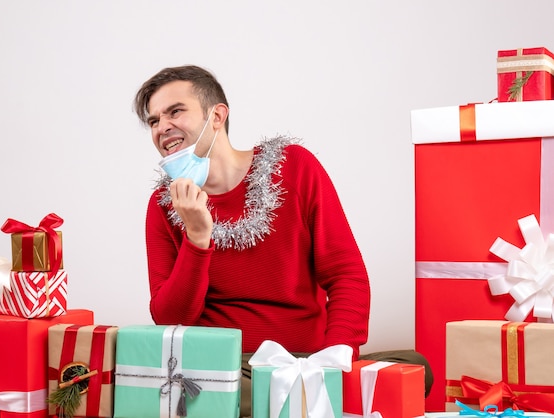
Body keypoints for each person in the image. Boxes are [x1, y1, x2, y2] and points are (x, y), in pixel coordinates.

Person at [134, 65, 432, 417]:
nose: (161, 127)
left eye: (175, 111)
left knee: (414, 368)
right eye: (153, 120)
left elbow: (346, 274)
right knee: (201, 390)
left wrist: (336, 357)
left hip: (308, 360)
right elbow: (170, 318)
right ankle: (301, 401)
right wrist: (197, 239)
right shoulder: (163, 206)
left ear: (217, 116)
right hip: (229, 370)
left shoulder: (294, 167)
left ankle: (296, 396)